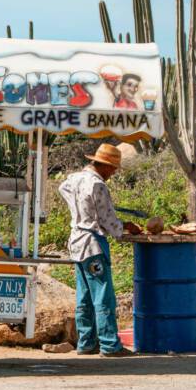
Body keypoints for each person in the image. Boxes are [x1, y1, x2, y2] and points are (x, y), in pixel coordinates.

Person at [58, 143, 140, 357]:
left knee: (84, 296)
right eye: (112, 168)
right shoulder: (98, 185)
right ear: (103, 165)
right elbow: (106, 219)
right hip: (92, 244)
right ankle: (109, 344)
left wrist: (78, 210)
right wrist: (125, 229)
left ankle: (86, 342)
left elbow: (62, 189)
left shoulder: (73, 179)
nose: (113, 173)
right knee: (103, 295)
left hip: (76, 242)